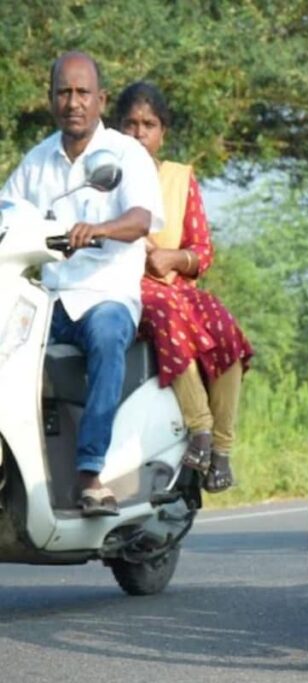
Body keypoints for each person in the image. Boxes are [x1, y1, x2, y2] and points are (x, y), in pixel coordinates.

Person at [0, 52, 163, 516]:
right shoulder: (37, 161)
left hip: (106, 295)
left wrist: (101, 230)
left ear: (101, 99)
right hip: (50, 300)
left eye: (82, 93)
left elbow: (141, 218)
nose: (73, 102)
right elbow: (7, 210)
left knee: (109, 337)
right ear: (51, 99)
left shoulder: (125, 155)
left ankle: (91, 474)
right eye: (64, 93)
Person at [115, 82, 253, 493]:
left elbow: (202, 251)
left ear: (163, 134)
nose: (139, 133)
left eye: (148, 124)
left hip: (177, 285)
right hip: (126, 287)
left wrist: (172, 259)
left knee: (228, 332)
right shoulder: (105, 175)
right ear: (115, 129)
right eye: (130, 124)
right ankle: (201, 428)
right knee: (167, 308)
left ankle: (223, 450)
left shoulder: (179, 178)